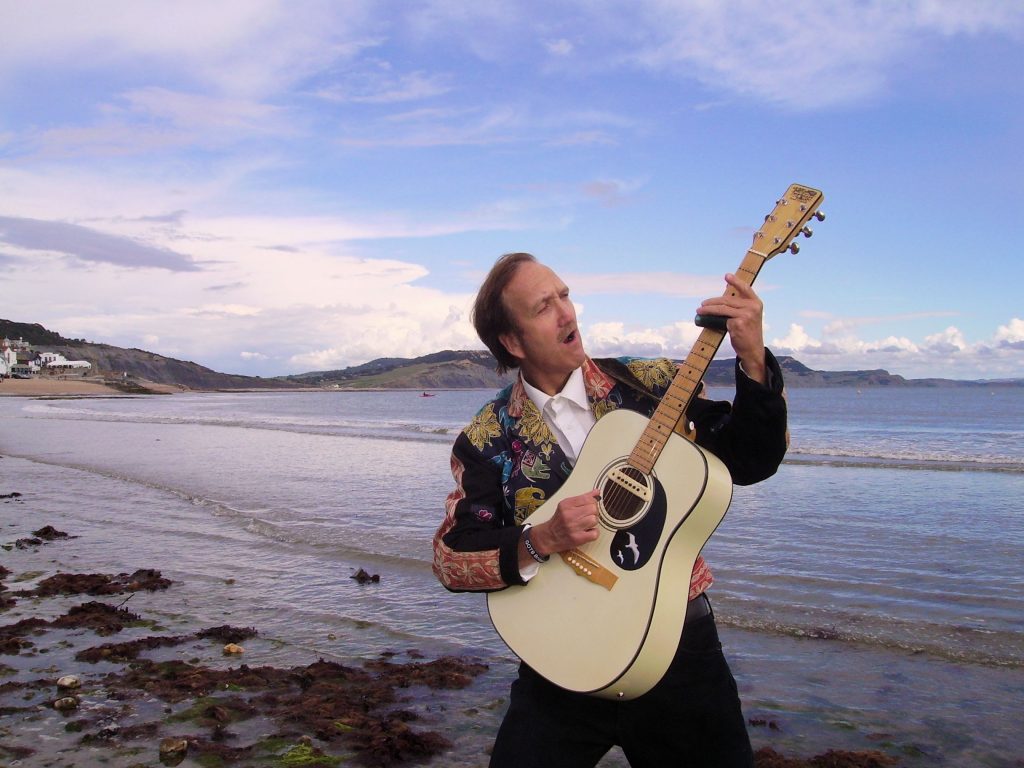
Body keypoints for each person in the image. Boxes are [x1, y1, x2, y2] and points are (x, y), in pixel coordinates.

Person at [432, 252, 788, 767]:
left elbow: (751, 459)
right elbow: (452, 559)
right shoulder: (488, 437)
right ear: (512, 342)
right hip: (559, 657)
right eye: (543, 307)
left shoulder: (652, 385)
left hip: (675, 649)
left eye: (565, 295)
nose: (566, 313)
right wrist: (540, 539)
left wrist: (752, 358)